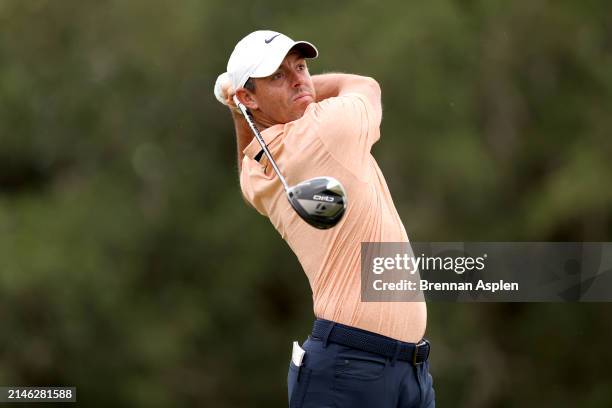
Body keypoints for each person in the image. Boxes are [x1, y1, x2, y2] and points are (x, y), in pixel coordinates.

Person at [214, 30, 435, 408]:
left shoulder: (263, 170)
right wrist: (259, 98)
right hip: (352, 369)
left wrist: (238, 109)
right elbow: (364, 84)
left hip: (404, 371)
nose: (300, 79)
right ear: (250, 97)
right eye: (278, 76)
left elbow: (247, 169)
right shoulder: (325, 130)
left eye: (300, 67)